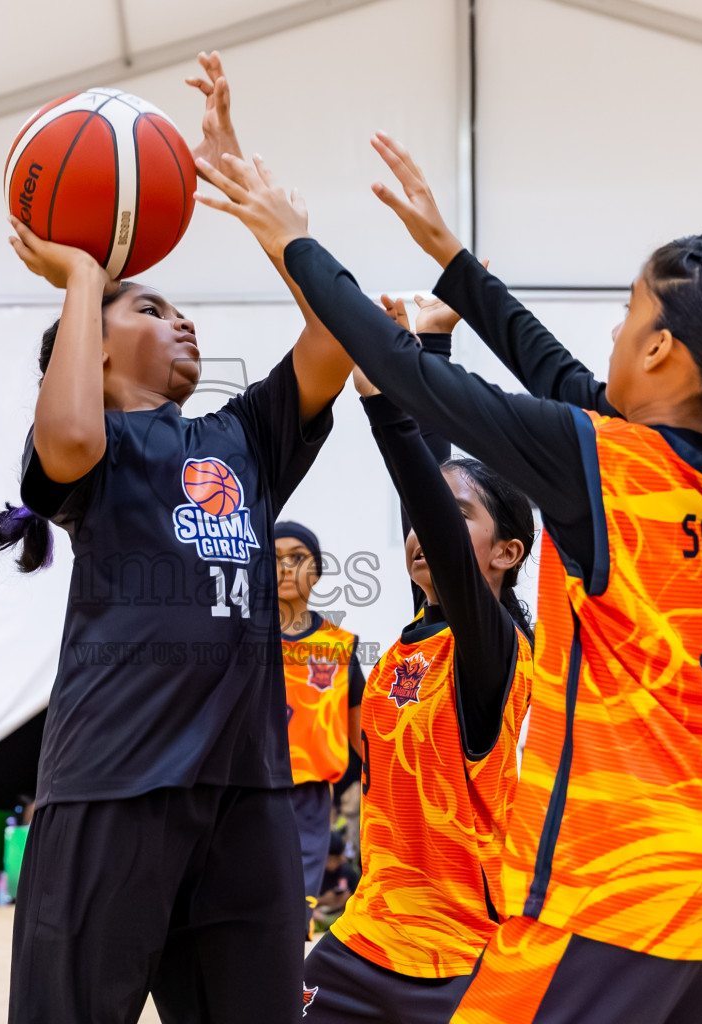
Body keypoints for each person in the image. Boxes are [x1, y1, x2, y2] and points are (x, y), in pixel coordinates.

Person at [209, 138, 702, 1024]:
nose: (614, 333)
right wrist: (453, 260)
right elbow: (559, 375)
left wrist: (292, 243)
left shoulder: (606, 462)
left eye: (628, 314)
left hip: (616, 897)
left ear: (661, 349)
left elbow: (409, 373)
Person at [0, 53, 352, 1024]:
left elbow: (335, 341)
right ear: (96, 349)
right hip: (113, 780)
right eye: (149, 308)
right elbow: (70, 434)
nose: (181, 318)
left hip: (246, 793)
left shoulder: (243, 438)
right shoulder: (93, 447)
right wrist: (82, 274)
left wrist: (276, 225)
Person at [298, 340, 537, 1022]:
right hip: (369, 931)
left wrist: (385, 403)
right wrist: (427, 347)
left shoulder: (492, 648)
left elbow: (430, 509)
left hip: (457, 953)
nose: (421, 529)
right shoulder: (421, 632)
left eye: (455, 515)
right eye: (422, 518)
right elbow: (427, 495)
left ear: (506, 552)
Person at [277, 519, 363, 929]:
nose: (284, 567)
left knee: (296, 908)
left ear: (317, 571)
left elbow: (363, 735)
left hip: (309, 798)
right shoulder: (238, 639)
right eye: (273, 558)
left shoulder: (339, 647)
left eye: (297, 557)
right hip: (241, 791)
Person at [313, 832, 358, 929]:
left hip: (343, 920)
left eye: (337, 859)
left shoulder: (347, 872)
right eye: (329, 860)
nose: (333, 864)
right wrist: (321, 900)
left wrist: (348, 899)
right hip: (318, 919)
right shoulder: (314, 874)